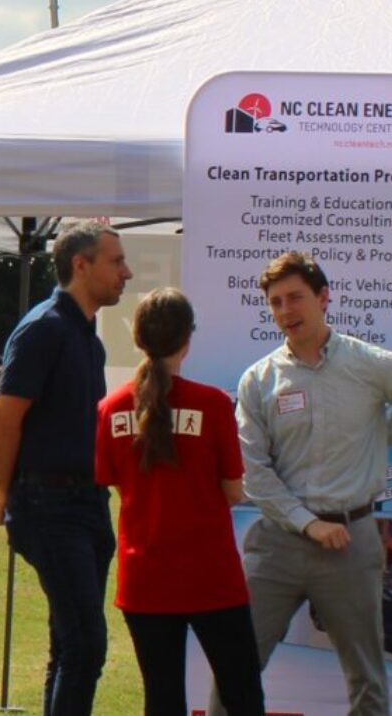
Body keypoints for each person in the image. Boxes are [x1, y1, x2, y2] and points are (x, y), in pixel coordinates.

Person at [232, 252, 392, 716]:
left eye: (296, 298)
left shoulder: (371, 363)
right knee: (238, 667)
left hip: (351, 541)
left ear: (324, 298)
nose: (286, 311)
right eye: (276, 302)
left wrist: (375, 442)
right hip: (278, 545)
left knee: (366, 676)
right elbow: (254, 471)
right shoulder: (259, 380)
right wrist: (307, 524)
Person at [0, 220, 130, 716]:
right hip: (51, 508)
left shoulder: (87, 339)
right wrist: (7, 493)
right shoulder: (45, 329)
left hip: (87, 503)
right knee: (86, 644)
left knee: (70, 644)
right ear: (81, 264)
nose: (127, 273)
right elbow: (3, 419)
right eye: (116, 261)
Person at [93, 289, 266, 716]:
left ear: (137, 338)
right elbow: (233, 490)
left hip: (145, 576)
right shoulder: (212, 404)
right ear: (188, 338)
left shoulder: (110, 408)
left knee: (162, 697)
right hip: (211, 575)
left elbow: (111, 480)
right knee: (242, 692)